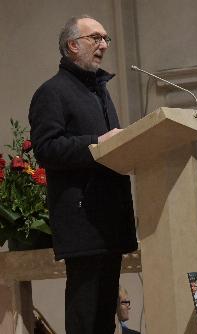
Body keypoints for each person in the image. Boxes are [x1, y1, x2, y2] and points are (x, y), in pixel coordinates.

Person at [29, 15, 138, 334]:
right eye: (96, 38)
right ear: (72, 46)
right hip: (83, 220)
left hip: (110, 219)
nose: (104, 45)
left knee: (105, 315)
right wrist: (97, 142)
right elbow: (46, 148)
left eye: (106, 38)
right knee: (85, 314)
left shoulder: (99, 92)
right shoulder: (52, 92)